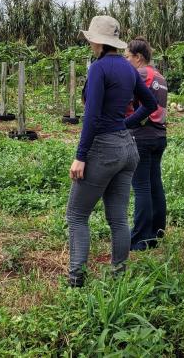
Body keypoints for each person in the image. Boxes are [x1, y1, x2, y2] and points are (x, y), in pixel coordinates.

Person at [67, 16, 158, 287]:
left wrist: (80, 155)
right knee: (118, 218)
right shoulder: (129, 69)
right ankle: (119, 275)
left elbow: (92, 116)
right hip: (127, 148)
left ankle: (76, 280)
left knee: (76, 215)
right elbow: (150, 103)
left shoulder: (99, 68)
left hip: (104, 149)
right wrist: (124, 124)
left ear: (96, 41)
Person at [124, 38, 168, 250]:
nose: (125, 61)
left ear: (138, 57)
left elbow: (128, 102)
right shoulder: (160, 76)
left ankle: (140, 239)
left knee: (141, 187)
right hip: (159, 136)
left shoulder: (140, 74)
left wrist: (124, 123)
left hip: (142, 136)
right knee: (154, 185)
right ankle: (157, 233)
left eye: (127, 57)